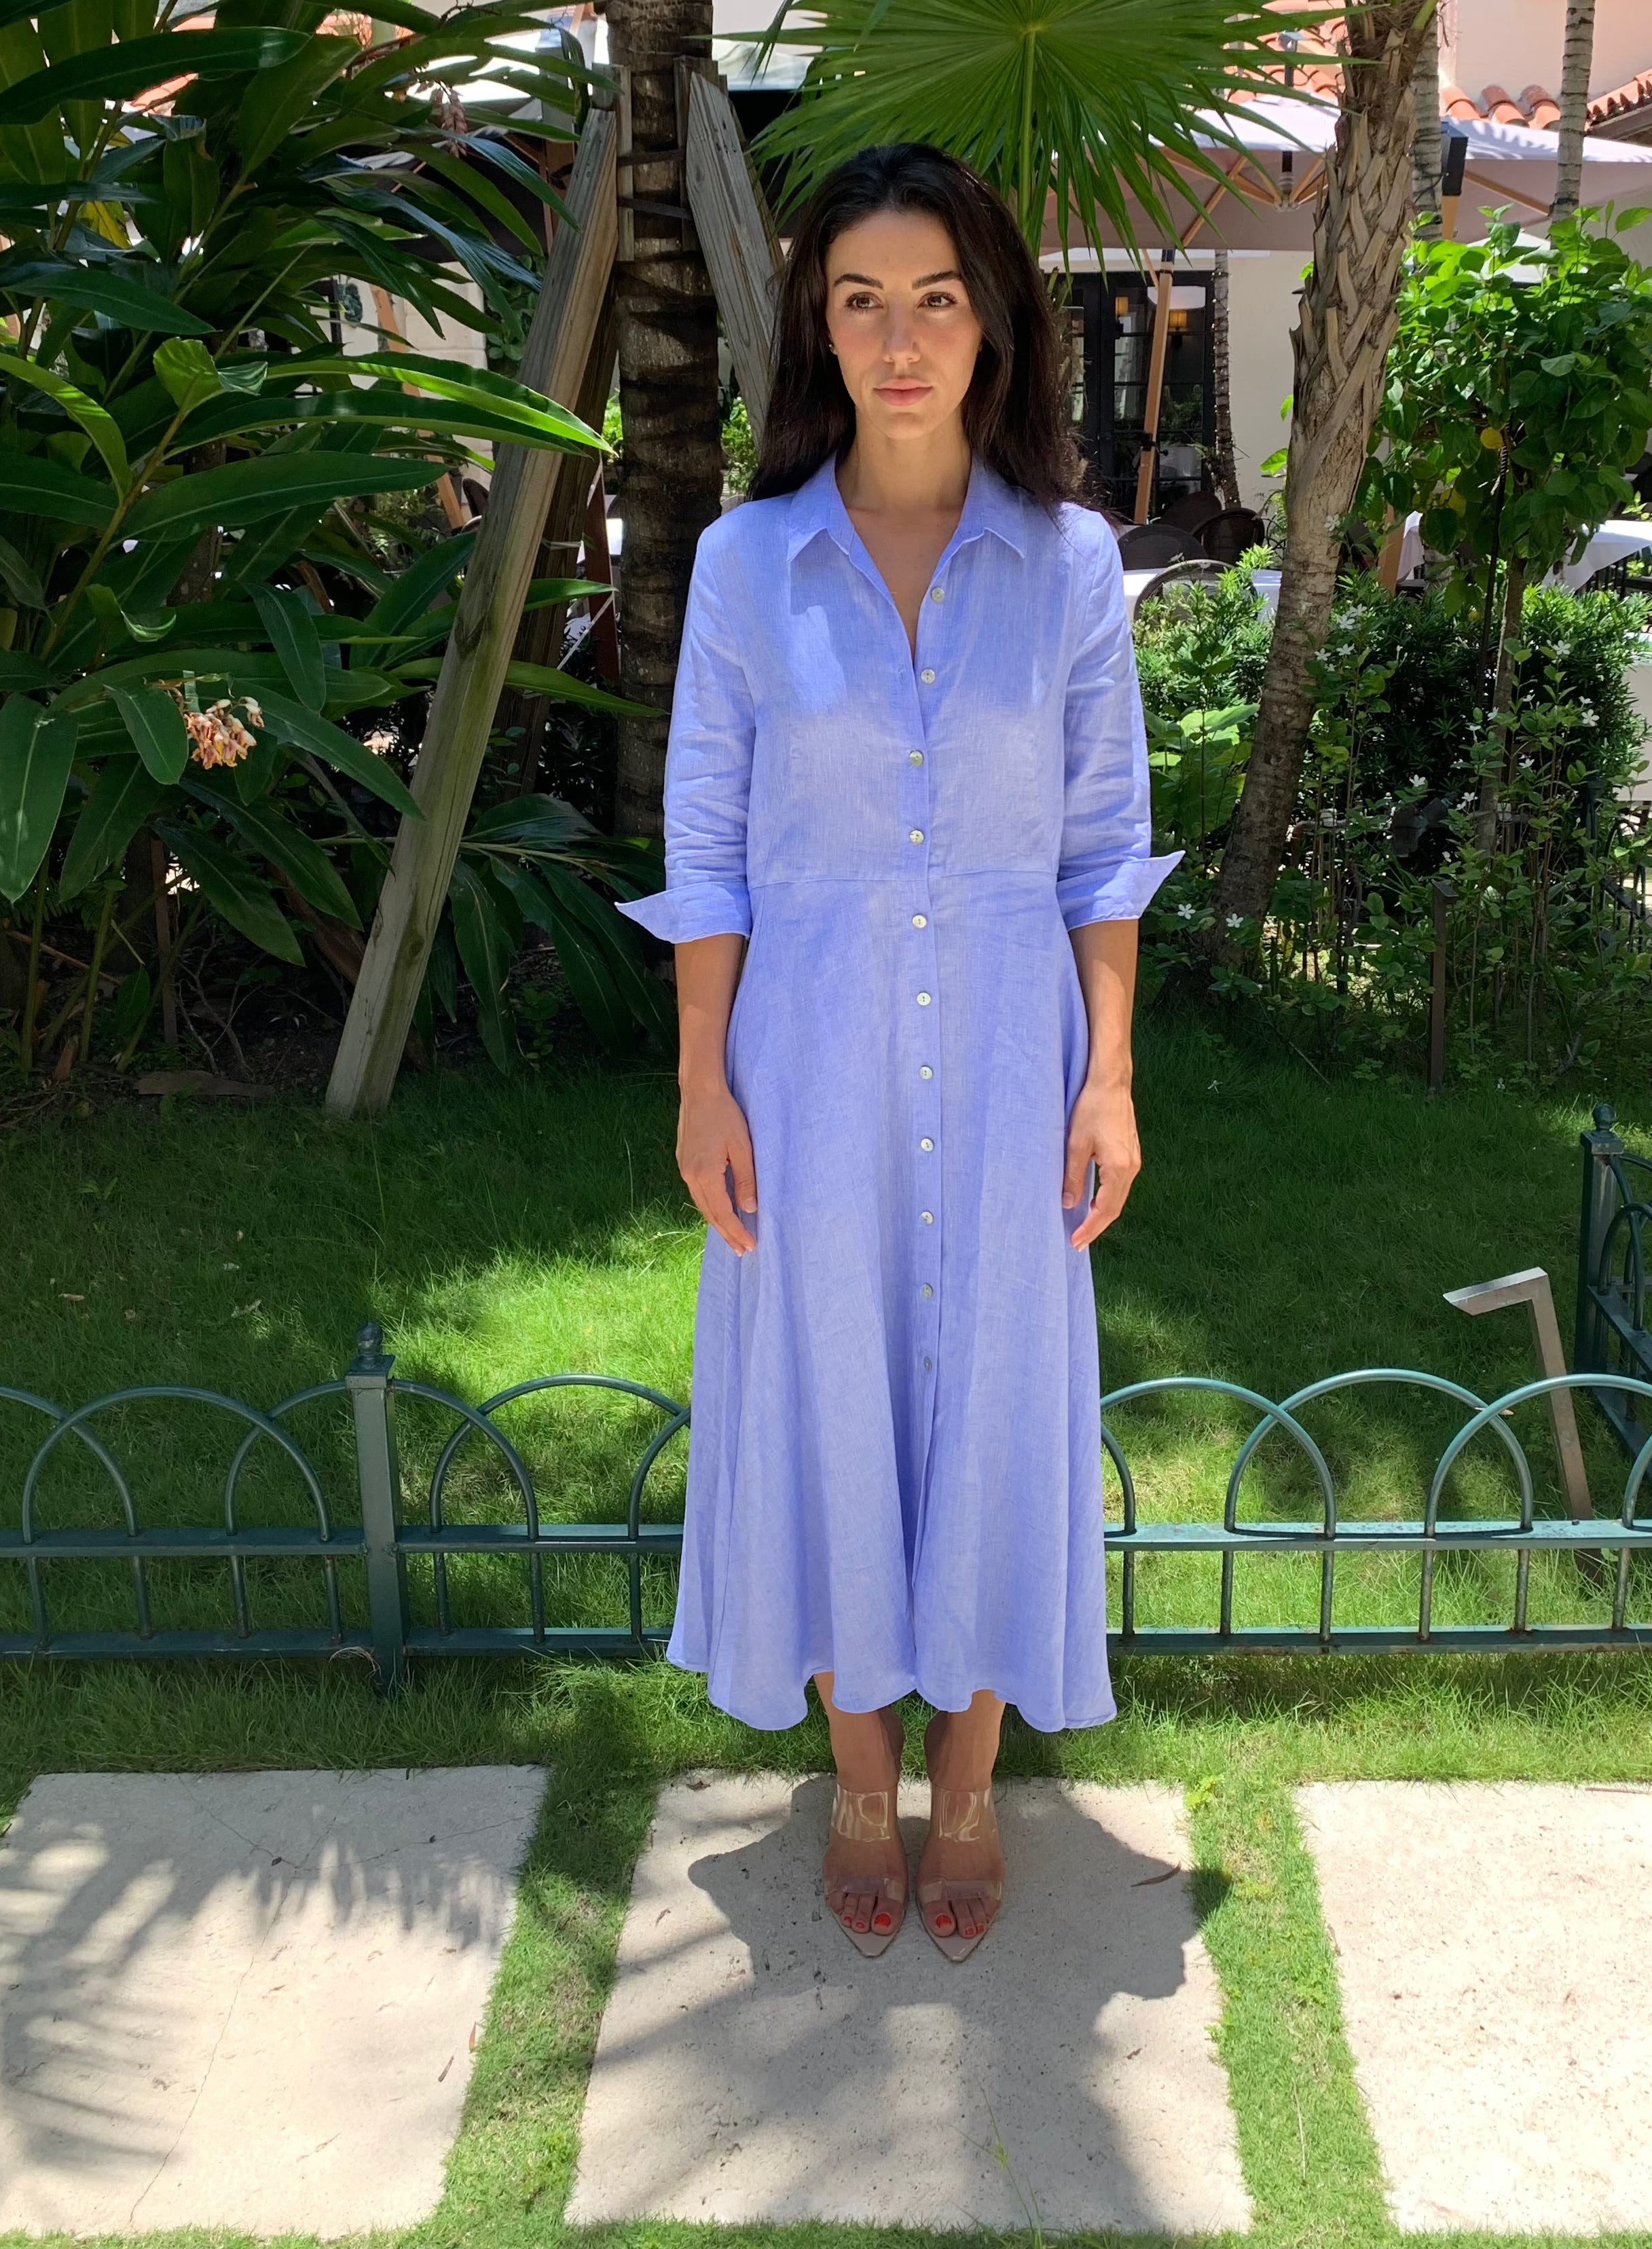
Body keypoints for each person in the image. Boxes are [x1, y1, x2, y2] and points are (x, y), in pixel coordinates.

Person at [621, 143, 1177, 1962]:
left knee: (1000, 1389)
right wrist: (703, 1081)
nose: (902, 339)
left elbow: (1104, 848)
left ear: (992, 321)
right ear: (820, 332)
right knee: (825, 1387)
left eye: (937, 298)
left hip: (1017, 1061)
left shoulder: (1072, 567)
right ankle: (861, 1765)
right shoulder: (745, 566)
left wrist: (1109, 1076)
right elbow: (709, 848)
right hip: (811, 1062)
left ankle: (971, 1771)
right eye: (861, 302)